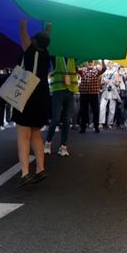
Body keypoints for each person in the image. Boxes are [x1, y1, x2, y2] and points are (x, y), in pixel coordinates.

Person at [13, 19, 51, 186]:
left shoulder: (29, 49)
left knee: (23, 135)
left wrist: (23, 15)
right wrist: (49, 23)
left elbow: (22, 29)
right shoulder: (46, 53)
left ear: (34, 40)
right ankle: (41, 168)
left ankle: (25, 173)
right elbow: (47, 35)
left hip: (26, 92)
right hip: (42, 95)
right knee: (36, 133)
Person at [44, 56, 78, 157]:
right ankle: (47, 144)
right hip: (58, 90)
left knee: (67, 120)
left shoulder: (73, 57)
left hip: (70, 91)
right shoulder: (55, 57)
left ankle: (63, 147)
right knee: (55, 119)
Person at [77, 60, 106, 133]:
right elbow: (75, 69)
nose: (90, 63)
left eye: (91, 62)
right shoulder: (83, 70)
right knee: (83, 111)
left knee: (96, 111)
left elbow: (104, 69)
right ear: (87, 62)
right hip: (84, 94)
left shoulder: (96, 70)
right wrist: (77, 60)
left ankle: (96, 127)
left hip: (94, 94)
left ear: (93, 63)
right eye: (89, 62)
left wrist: (102, 60)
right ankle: (83, 128)